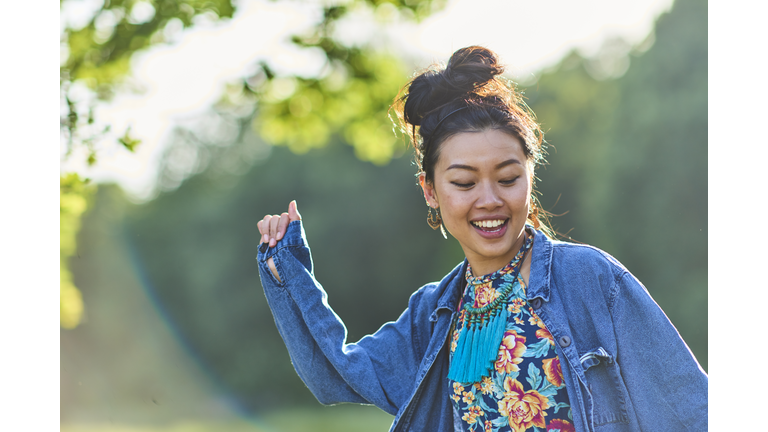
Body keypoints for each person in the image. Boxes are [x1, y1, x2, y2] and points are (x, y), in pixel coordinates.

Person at [256, 46, 707, 432]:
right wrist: (287, 272)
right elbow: (337, 376)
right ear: (430, 191)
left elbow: (692, 410)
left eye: (508, 178)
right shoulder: (433, 314)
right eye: (464, 183)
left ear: (529, 178)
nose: (489, 200)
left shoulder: (591, 280)